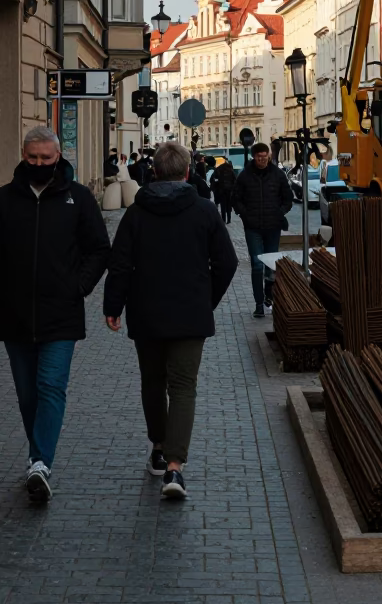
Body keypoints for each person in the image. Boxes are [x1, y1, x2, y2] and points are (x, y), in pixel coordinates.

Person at [103, 141, 237, 500]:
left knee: (152, 382)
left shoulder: (136, 213)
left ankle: (159, 449)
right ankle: (175, 468)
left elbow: (119, 264)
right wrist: (206, 301)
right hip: (190, 315)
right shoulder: (205, 212)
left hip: (146, 312)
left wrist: (113, 306)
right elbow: (228, 263)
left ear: (155, 172)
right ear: (188, 172)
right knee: (182, 387)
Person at [0, 127, 110, 501]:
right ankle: (38, 457)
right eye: (32, 158)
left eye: (46, 158)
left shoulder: (77, 199)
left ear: (58, 157)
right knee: (27, 394)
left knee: (50, 387)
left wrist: (78, 286)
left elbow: (99, 249)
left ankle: (40, 461)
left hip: (61, 316)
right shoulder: (5, 199)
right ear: (23, 155)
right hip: (14, 317)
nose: (39, 164)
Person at [232, 142, 292, 318]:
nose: (262, 160)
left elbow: (288, 198)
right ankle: (259, 303)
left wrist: (280, 212)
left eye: (265, 156)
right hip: (253, 228)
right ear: (254, 157)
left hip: (273, 227)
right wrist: (245, 215)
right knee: (257, 265)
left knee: (270, 265)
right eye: (259, 157)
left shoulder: (278, 175)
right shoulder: (244, 176)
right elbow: (235, 199)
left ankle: (269, 295)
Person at [211, 160, 235, 225]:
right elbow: (234, 180)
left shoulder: (218, 169)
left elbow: (215, 180)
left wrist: (215, 188)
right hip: (229, 190)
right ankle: (229, 219)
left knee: (223, 205)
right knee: (228, 205)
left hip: (221, 190)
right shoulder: (231, 170)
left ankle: (223, 219)